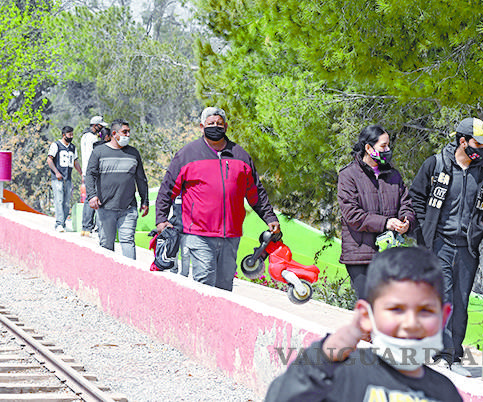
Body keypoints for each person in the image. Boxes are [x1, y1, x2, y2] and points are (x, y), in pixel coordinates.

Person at [265, 246, 462, 402]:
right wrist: (323, 358)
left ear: (443, 317)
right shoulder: (341, 374)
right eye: (396, 309)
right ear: (367, 316)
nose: (411, 323)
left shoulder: (445, 393)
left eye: (425, 311)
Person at [409, 117, 483, 375]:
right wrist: (423, 233)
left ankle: (453, 355)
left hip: (467, 248)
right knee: (443, 298)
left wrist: (482, 223)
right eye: (477, 143)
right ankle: (441, 354)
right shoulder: (436, 164)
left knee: (460, 301)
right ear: (462, 141)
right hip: (439, 244)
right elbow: (416, 196)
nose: (481, 149)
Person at [155, 106, 280, 291]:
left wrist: (270, 218)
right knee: (204, 283)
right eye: (211, 124)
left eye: (219, 124)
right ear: (201, 127)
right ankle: (199, 320)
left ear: (226, 127)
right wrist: (161, 219)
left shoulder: (241, 155)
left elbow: (256, 193)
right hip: (198, 234)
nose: (215, 127)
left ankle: (217, 321)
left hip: (231, 235)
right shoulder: (187, 154)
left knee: (224, 287)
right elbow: (167, 188)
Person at [337, 125, 416, 299]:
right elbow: (352, 215)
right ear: (368, 147)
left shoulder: (393, 175)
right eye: (383, 146)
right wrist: (386, 222)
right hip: (360, 254)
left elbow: (406, 205)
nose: (388, 150)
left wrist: (405, 222)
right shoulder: (348, 175)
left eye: (388, 145)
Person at [85, 119, 149, 259]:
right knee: (107, 245)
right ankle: (107, 278)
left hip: (128, 208)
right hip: (106, 208)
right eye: (124, 132)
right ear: (114, 133)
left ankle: (130, 277)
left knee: (128, 242)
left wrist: (145, 200)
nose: (128, 135)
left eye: (129, 132)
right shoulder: (99, 152)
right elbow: (89, 174)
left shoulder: (133, 153)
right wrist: (91, 195)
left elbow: (141, 178)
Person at [47, 126, 82, 232]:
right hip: (57, 178)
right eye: (69, 134)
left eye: (72, 134)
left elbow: (75, 162)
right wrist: (56, 172)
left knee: (66, 202)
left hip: (68, 178)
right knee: (59, 200)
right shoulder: (56, 145)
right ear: (64, 135)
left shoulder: (73, 147)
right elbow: (49, 160)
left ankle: (63, 222)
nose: (71, 136)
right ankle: (59, 223)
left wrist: (81, 173)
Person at [80, 115, 108, 237]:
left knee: (88, 198)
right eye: (100, 126)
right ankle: (91, 226)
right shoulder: (92, 139)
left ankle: (86, 227)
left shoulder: (84, 137)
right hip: (93, 171)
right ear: (95, 125)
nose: (101, 129)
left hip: (86, 171)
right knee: (93, 198)